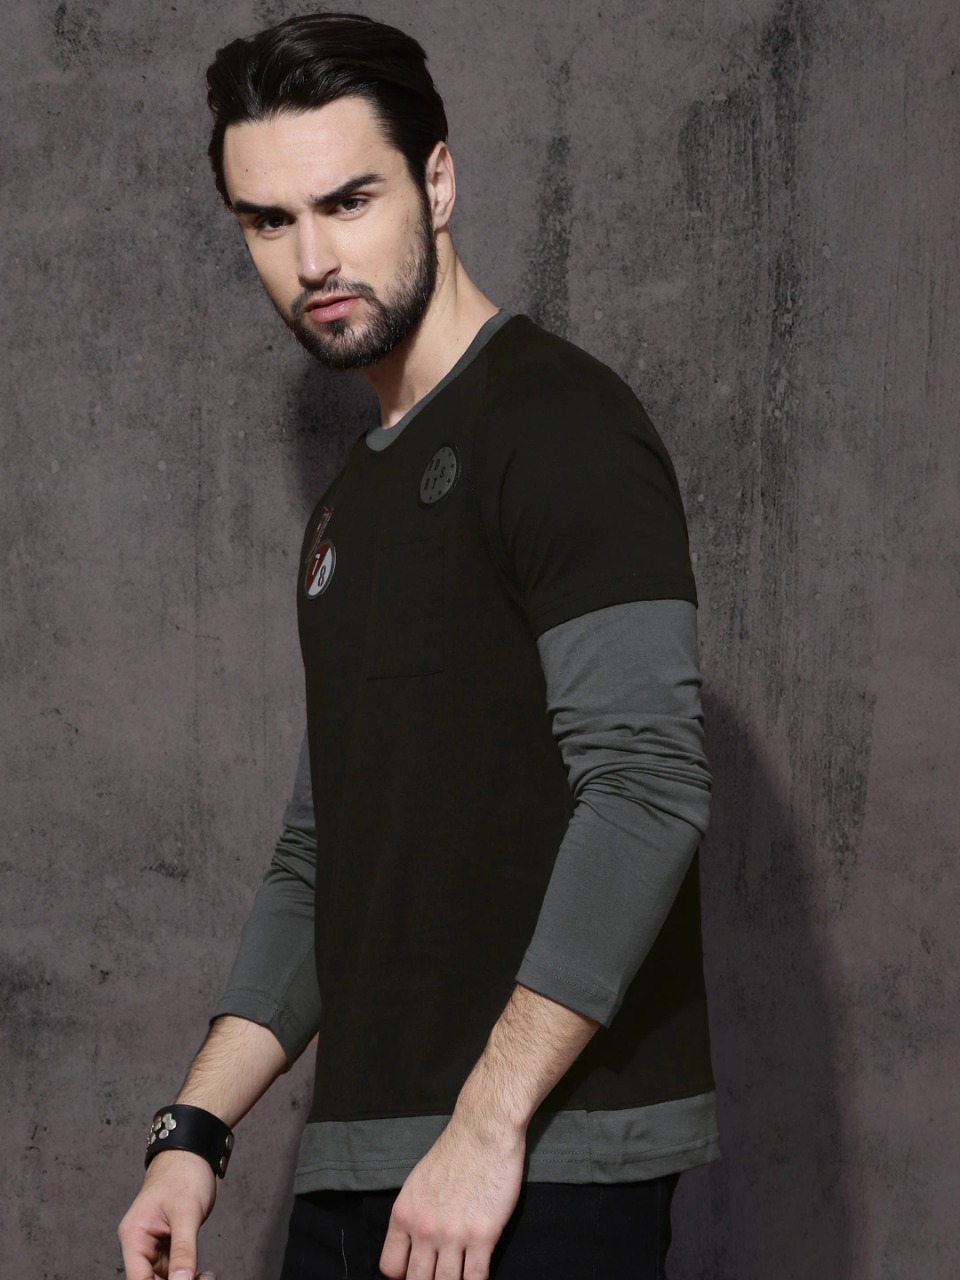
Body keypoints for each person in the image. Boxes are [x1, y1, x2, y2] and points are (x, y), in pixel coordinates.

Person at [118, 12, 719, 1280]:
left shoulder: (561, 424)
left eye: (349, 200)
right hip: (363, 1164)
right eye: (268, 222)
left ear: (437, 182)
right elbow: (321, 848)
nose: (313, 258)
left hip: (538, 1167)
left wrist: (489, 1123)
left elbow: (647, 783)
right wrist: (194, 1130)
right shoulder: (348, 505)